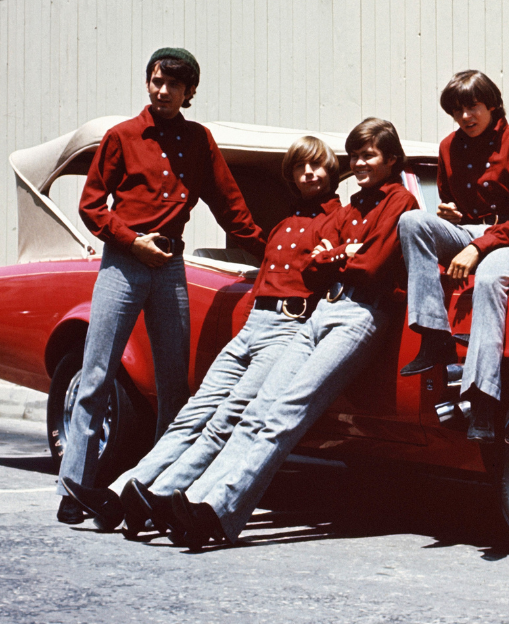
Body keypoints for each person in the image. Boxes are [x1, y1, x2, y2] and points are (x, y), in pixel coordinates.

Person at [60, 137, 343, 534]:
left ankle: (157, 496)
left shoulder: (341, 221)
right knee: (191, 414)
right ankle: (119, 496)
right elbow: (266, 267)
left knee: (224, 418)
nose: (309, 173)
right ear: (291, 175)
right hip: (251, 324)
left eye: (318, 166)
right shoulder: (283, 223)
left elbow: (340, 275)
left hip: (287, 328)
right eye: (300, 167)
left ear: (333, 172)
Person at [159, 118, 417, 549]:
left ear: (391, 159)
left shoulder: (401, 200)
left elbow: (372, 266)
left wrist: (335, 255)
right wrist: (343, 253)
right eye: (355, 156)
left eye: (369, 155)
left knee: (288, 412)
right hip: (324, 310)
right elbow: (312, 268)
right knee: (258, 412)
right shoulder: (352, 207)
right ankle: (197, 500)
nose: (360, 163)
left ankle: (218, 511)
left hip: (361, 315)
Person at [56, 47, 267, 525]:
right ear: (148, 82)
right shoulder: (121, 136)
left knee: (175, 384)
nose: (163, 91)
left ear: (189, 91)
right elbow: (92, 205)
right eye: (157, 81)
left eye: (174, 84)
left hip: (170, 265)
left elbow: (229, 206)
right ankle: (73, 488)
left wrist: (272, 252)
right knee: (96, 376)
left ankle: (157, 488)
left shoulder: (199, 141)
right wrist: (132, 242)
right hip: (123, 262)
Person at [398, 70, 509, 442]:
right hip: (467, 233)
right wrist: (451, 215)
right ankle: (435, 336)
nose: (465, 117)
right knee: (412, 220)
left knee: (490, 278)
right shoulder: (448, 147)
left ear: (492, 104)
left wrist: (477, 247)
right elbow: (453, 203)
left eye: (473, 107)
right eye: (457, 110)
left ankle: (482, 398)